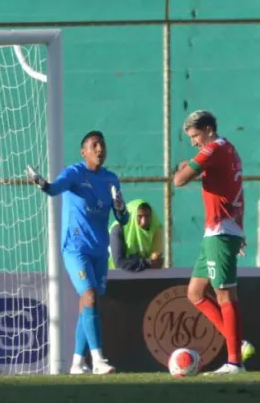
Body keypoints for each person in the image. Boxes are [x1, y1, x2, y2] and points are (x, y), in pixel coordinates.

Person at [26, 130, 127, 376]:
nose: (100, 150)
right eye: (94, 146)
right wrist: (41, 182)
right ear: (84, 152)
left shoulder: (111, 179)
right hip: (75, 248)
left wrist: (121, 208)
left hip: (99, 251)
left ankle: (77, 362)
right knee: (89, 296)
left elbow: (122, 219)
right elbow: (52, 189)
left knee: (89, 304)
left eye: (102, 145)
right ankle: (98, 360)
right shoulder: (74, 173)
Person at [172, 110, 255, 374]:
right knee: (195, 293)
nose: (194, 142)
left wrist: (186, 167)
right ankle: (237, 344)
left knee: (224, 294)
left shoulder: (215, 149)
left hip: (221, 231)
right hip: (218, 231)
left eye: (195, 135)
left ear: (208, 129)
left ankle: (234, 362)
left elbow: (179, 179)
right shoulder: (228, 148)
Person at [109, 199, 163, 271]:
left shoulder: (156, 229)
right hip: (113, 276)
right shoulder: (118, 229)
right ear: (133, 215)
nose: (144, 222)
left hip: (143, 276)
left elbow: (155, 262)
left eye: (147, 216)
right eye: (140, 216)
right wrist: (147, 263)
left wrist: (154, 261)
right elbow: (119, 263)